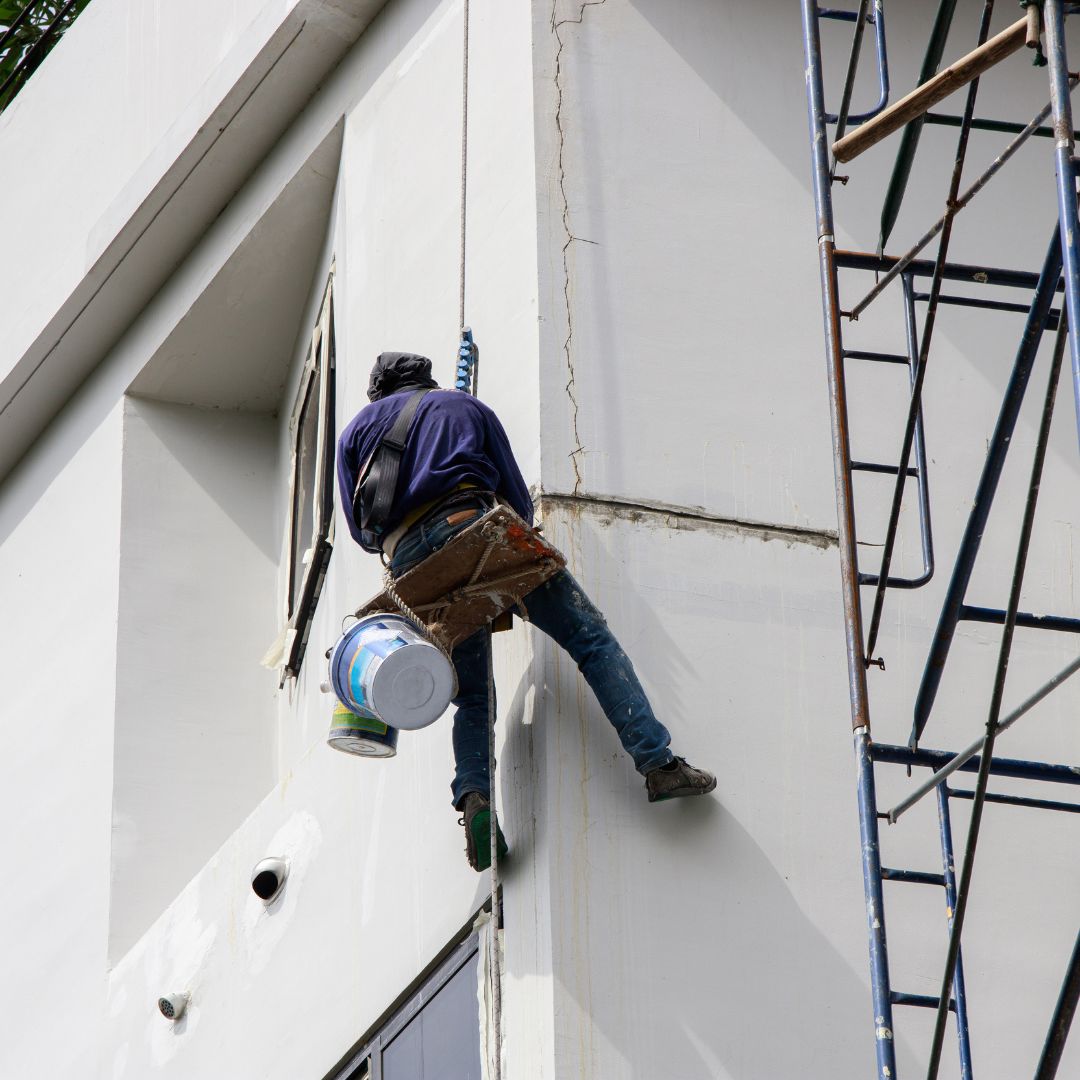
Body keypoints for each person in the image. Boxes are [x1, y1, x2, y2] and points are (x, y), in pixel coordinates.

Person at [337, 352, 715, 871]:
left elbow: (362, 533)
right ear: (427, 380)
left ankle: (475, 798)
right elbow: (516, 495)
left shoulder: (356, 432)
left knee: (471, 695)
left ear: (378, 393)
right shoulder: (463, 406)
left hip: (412, 571)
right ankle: (657, 763)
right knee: (590, 640)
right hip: (474, 526)